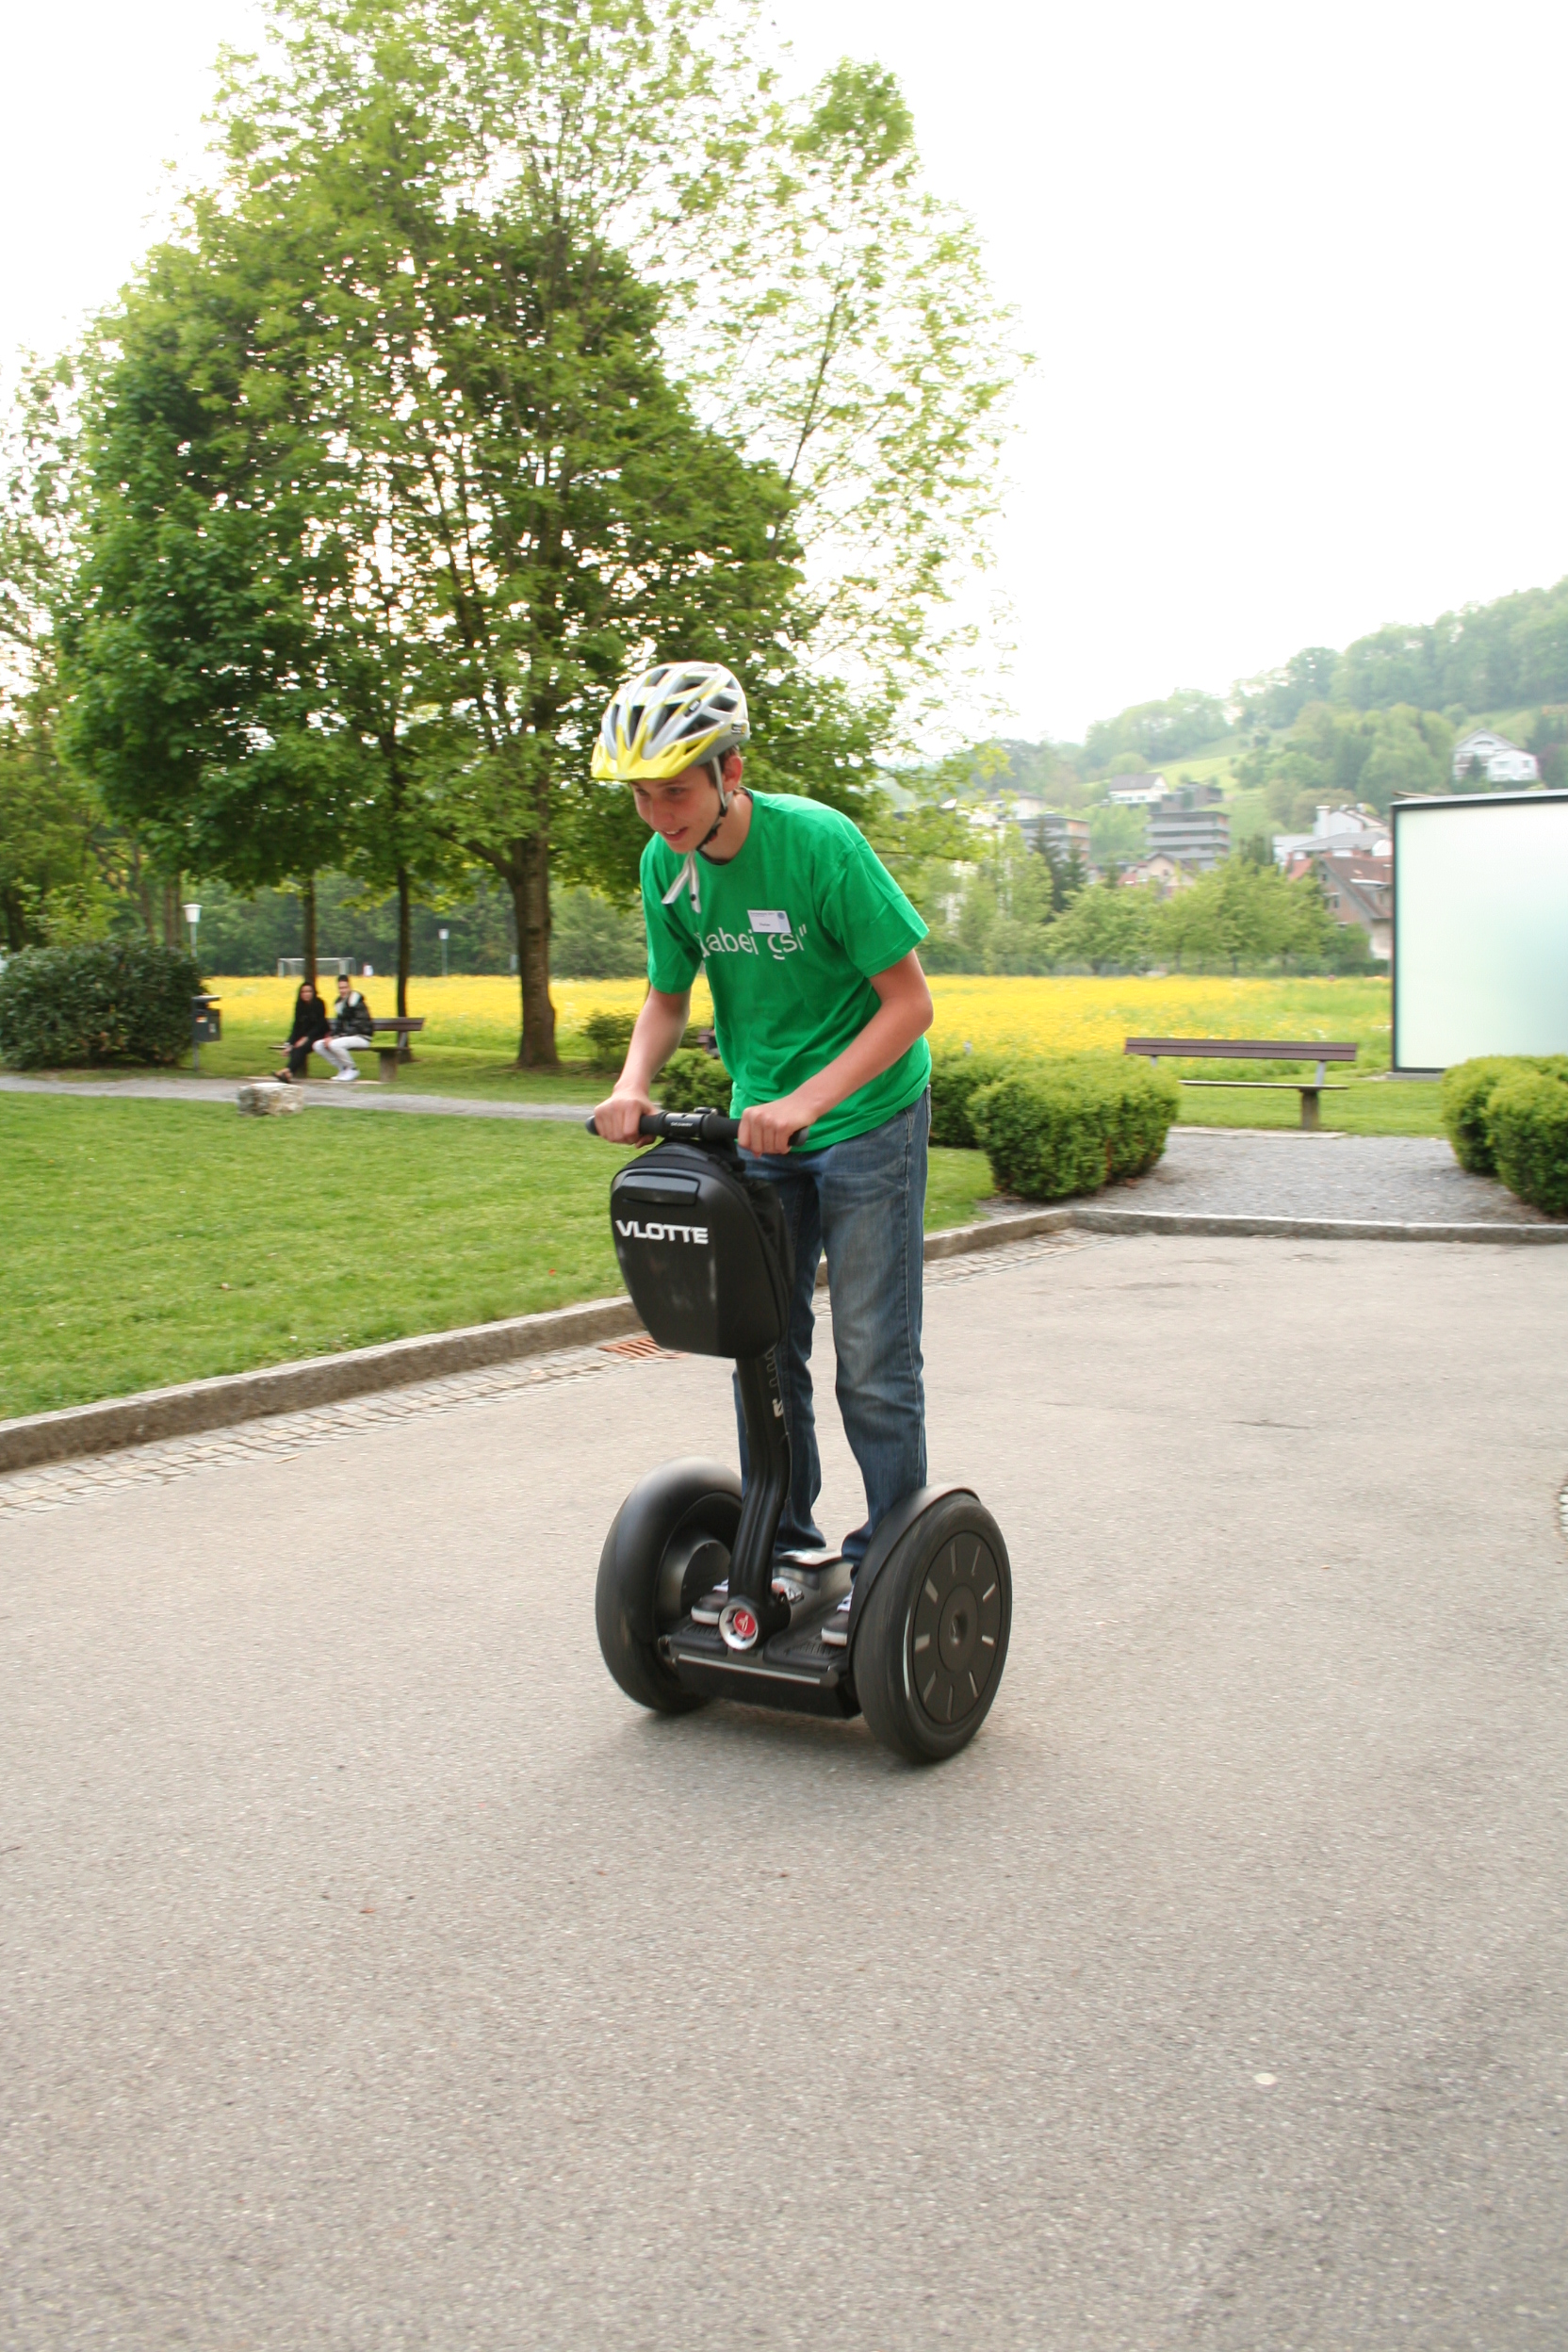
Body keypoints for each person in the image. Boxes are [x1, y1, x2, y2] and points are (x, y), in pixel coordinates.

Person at [589, 660, 934, 1574]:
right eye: (641, 795)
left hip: (868, 1119)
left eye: (674, 790)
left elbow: (909, 1006)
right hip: (762, 1131)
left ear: (729, 772)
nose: (658, 815)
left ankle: (892, 1567)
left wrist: (808, 1101)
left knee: (872, 1358)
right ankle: (782, 1551)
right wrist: (632, 1084)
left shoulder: (818, 844)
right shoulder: (666, 868)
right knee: (765, 1351)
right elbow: (667, 997)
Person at [315, 973, 374, 1081]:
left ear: (349, 987)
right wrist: (331, 1036)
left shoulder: (357, 1002)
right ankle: (343, 1068)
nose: (343, 990)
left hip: (361, 1036)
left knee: (334, 1044)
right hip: (346, 1036)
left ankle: (352, 1069)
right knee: (318, 1045)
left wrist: (338, 1037)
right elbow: (339, 1024)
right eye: (340, 988)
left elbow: (359, 1025)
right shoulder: (339, 1004)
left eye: (345, 987)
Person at [276, 981, 328, 1082]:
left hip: (319, 1035)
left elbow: (320, 1025)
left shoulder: (319, 1004)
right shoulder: (299, 1006)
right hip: (305, 1035)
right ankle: (288, 1074)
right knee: (295, 1047)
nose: (306, 994)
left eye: (309, 991)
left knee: (301, 1047)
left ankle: (287, 1071)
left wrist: (306, 1038)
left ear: (313, 992)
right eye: (303, 992)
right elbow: (296, 1026)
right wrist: (289, 1044)